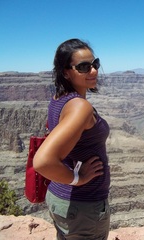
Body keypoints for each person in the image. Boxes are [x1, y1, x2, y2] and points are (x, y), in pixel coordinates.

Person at [33, 38, 110, 240]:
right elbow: (42, 161)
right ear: (66, 72)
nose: (93, 71)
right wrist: (78, 178)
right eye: (84, 67)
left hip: (61, 199)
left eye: (95, 64)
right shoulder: (80, 107)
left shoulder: (59, 99)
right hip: (82, 207)